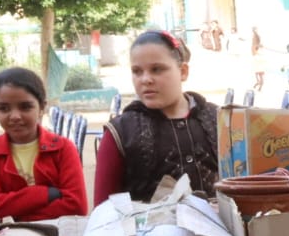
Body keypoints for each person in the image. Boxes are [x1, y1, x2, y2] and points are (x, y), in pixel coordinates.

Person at [93, 30, 219, 205]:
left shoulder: (218, 120)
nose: (146, 79)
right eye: (137, 71)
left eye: (157, 69)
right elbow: (102, 211)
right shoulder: (120, 133)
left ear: (183, 71)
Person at [0, 67, 88, 221]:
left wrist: (13, 215)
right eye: (3, 108)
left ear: (42, 107)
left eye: (25, 107)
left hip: (57, 235)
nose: (15, 116)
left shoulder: (63, 149)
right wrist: (45, 193)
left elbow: (77, 206)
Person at [251, 27, 265, 91]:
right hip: (257, 58)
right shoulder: (256, 42)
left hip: (258, 59)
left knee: (259, 73)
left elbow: (255, 51)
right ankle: (259, 83)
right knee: (258, 73)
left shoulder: (256, 41)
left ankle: (260, 84)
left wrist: (257, 47)